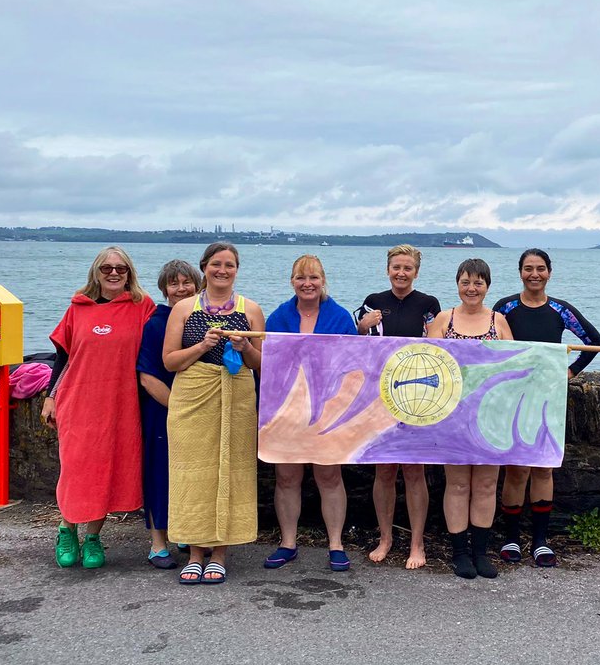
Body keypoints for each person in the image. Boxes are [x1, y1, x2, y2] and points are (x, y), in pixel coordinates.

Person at [42, 247, 155, 569]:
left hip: (122, 405)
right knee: (77, 470)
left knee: (108, 472)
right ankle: (66, 529)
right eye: (106, 268)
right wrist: (51, 396)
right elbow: (62, 358)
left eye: (121, 268)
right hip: (79, 401)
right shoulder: (78, 308)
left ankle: (93, 536)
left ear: (130, 272)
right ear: (96, 272)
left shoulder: (141, 306)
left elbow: (164, 336)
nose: (114, 273)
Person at [163, 243, 265, 585]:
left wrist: (245, 346)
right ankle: (194, 552)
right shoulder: (183, 309)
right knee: (190, 475)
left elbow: (261, 364)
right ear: (204, 267)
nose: (223, 270)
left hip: (235, 396)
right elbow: (170, 362)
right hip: (192, 398)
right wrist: (203, 345)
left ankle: (220, 553)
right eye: (216, 264)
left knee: (231, 470)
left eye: (230, 265)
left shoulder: (250, 309)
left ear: (237, 269)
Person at [493, 248, 600, 567]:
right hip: (513, 396)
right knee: (516, 469)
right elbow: (493, 346)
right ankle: (512, 538)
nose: (534, 274)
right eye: (528, 269)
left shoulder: (560, 310)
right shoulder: (505, 307)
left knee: (543, 467)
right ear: (520, 272)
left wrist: (570, 371)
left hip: (548, 397)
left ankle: (541, 541)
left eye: (540, 268)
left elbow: (592, 340)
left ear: (549, 273)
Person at [264, 254, 358, 572]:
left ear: (323, 281)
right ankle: (288, 542)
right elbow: (267, 367)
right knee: (287, 476)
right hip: (286, 410)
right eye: (301, 278)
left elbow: (354, 366)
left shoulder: (341, 317)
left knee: (329, 476)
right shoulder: (277, 317)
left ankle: (335, 543)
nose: (308, 284)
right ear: (292, 282)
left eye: (314, 277)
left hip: (329, 411)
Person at [427, 258, 514, 579]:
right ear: (457, 284)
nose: (471, 288)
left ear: (487, 286)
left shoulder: (500, 321)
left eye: (478, 283)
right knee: (459, 483)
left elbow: (513, 367)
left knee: (487, 484)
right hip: (452, 415)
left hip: (490, 415)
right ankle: (459, 553)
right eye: (466, 282)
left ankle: (481, 552)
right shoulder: (443, 319)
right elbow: (428, 361)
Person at [355, 244, 441, 570]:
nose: (401, 273)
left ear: (416, 271)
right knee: (384, 469)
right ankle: (386, 537)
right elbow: (351, 344)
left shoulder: (428, 304)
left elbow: (438, 344)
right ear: (387, 269)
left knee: (414, 470)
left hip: (417, 396)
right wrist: (363, 326)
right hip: (379, 396)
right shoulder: (372, 302)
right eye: (396, 267)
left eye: (407, 268)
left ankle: (417, 543)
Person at [136, 259, 200, 570]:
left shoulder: (201, 319)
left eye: (186, 282)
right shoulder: (156, 323)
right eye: (173, 284)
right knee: (160, 473)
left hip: (198, 410)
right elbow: (147, 376)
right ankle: (158, 543)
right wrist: (179, 407)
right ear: (164, 290)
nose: (181, 289)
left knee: (190, 474)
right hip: (164, 409)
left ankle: (185, 531)